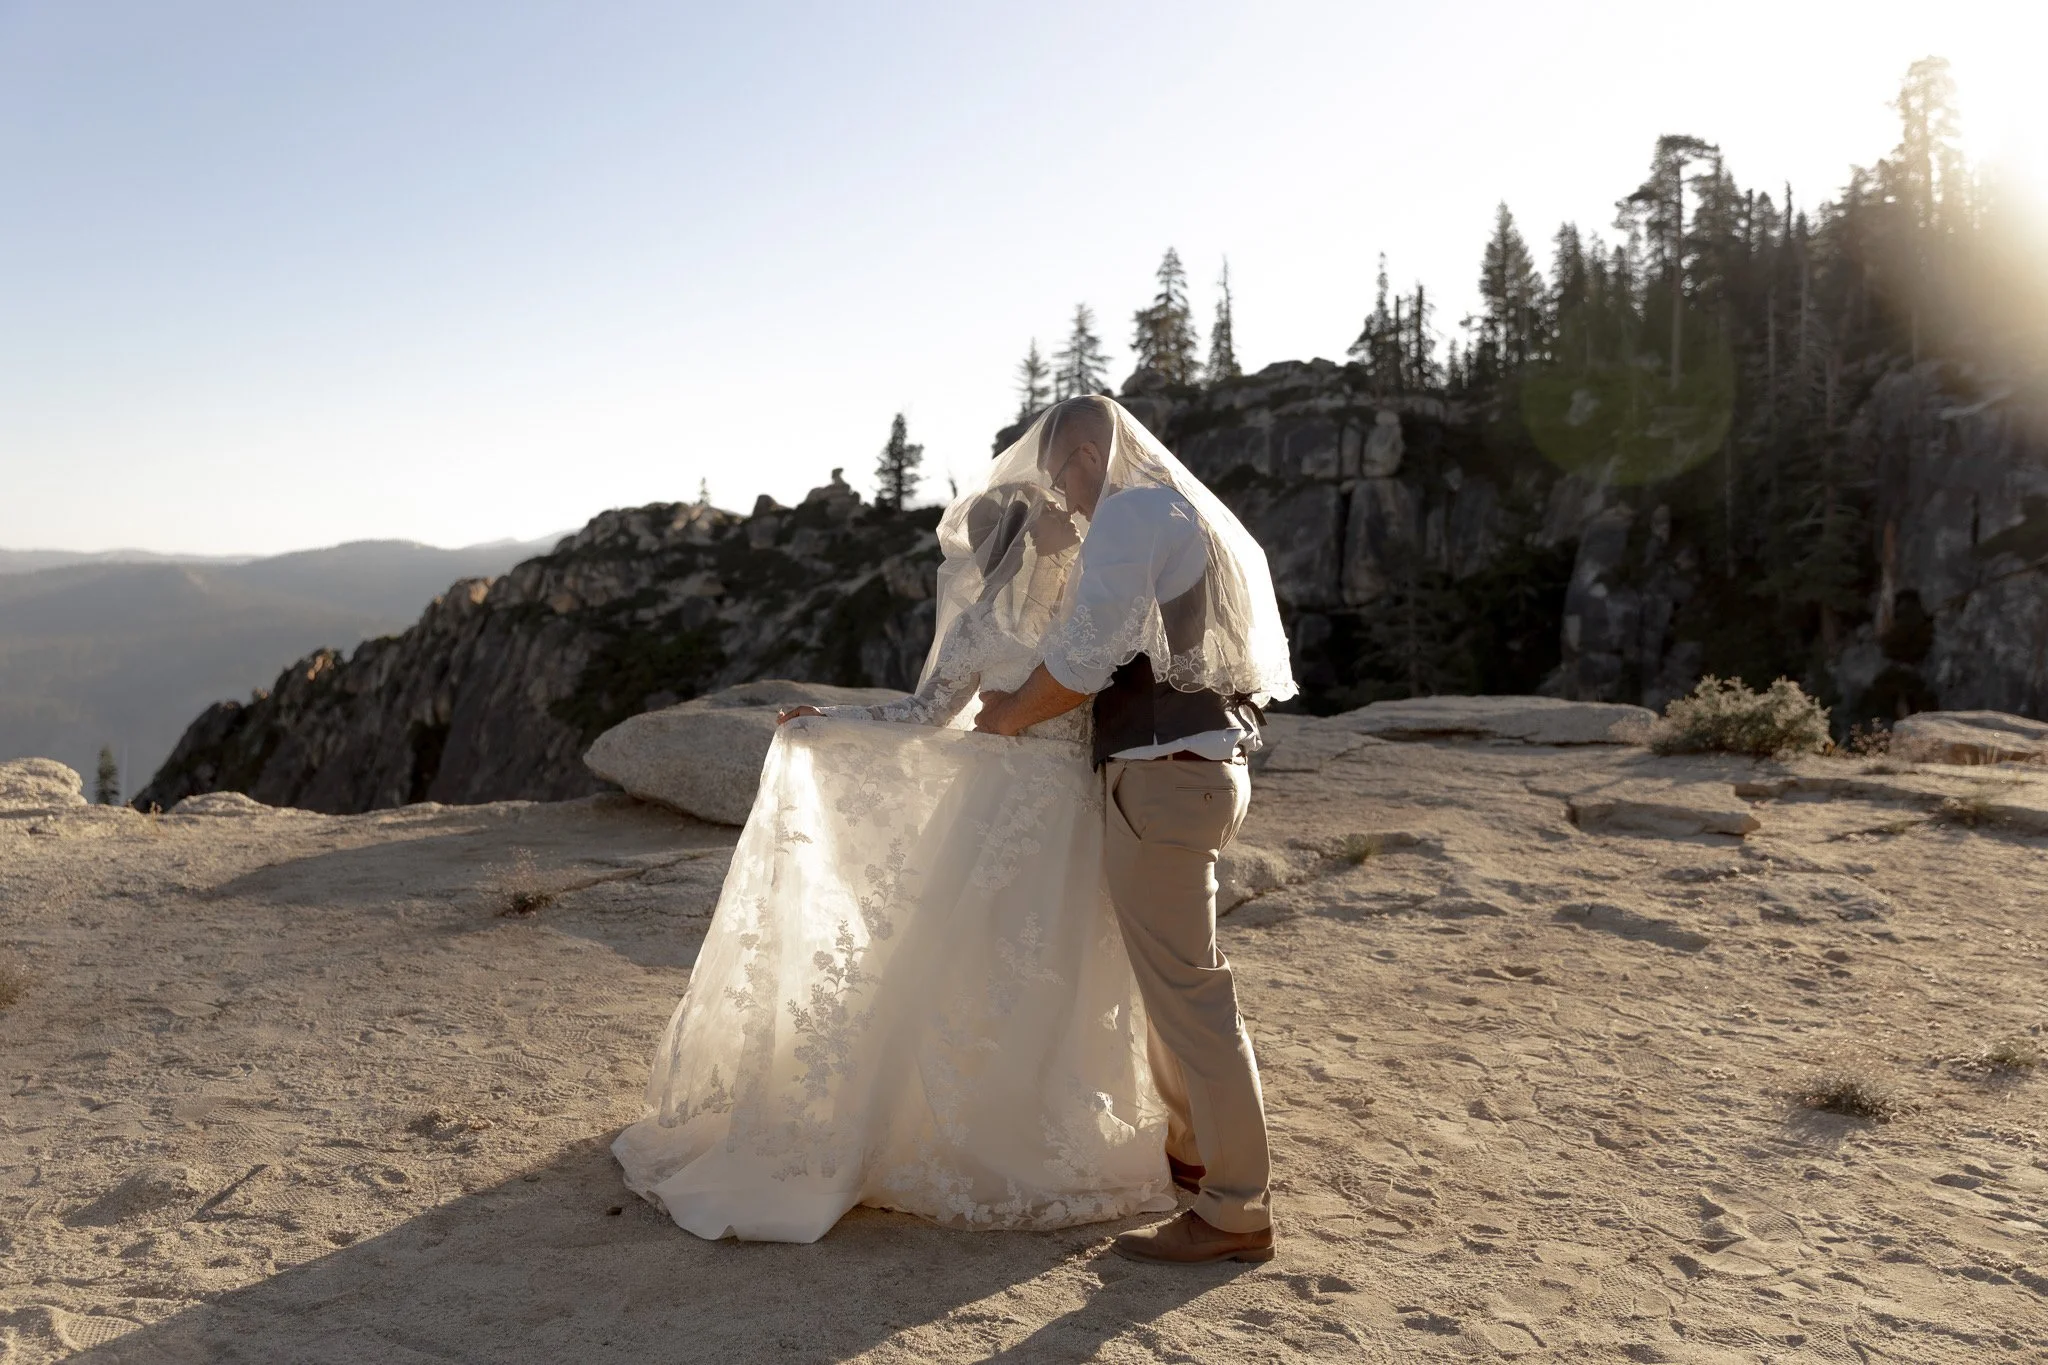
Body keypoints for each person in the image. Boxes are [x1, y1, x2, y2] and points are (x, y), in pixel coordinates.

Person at [611, 418, 1178, 1242]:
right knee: (988, 967)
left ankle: (1053, 1118)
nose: (1064, 508)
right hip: (1008, 820)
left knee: (1063, 972)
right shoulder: (992, 625)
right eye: (1047, 505)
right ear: (1022, 537)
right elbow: (923, 714)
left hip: (1075, 815)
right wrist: (829, 723)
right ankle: (983, 1133)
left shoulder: (1092, 603)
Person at [974, 394, 1296, 1265]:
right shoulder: (1167, 511)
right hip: (1190, 772)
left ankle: (1235, 1211)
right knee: (1174, 993)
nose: (1065, 500)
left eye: (1061, 479)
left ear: (1086, 452)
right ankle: (1194, 1161)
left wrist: (1005, 715)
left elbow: (1084, 658)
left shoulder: (1133, 510)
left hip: (1162, 780)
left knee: (1193, 997)